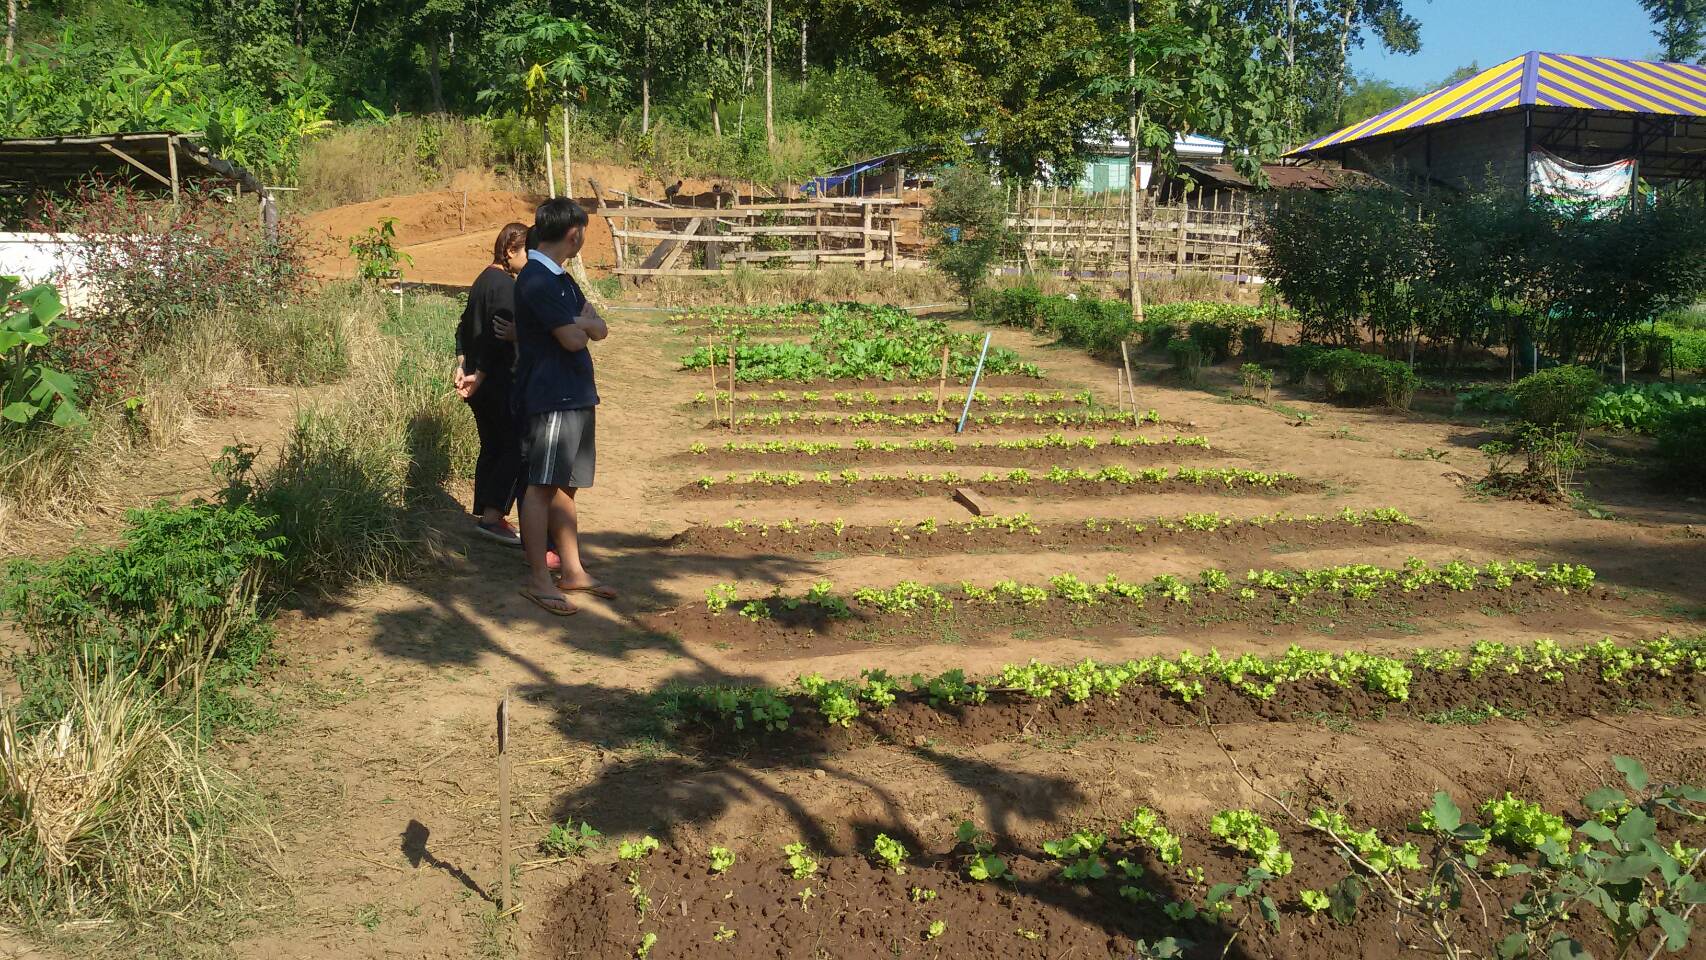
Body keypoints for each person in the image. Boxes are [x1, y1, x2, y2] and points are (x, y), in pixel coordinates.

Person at [512, 199, 613, 616]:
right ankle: (539, 578)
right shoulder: (537, 279)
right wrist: (583, 325)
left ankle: (572, 570)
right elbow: (574, 339)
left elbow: (599, 328)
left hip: (576, 395)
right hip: (551, 397)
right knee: (541, 486)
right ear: (574, 234)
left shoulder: (562, 279)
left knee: (565, 486)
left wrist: (583, 324)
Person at [454, 222, 529, 546]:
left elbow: (462, 328)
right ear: (510, 250)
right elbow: (498, 339)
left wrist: (462, 365)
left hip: (477, 382)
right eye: (527, 252)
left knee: (493, 445)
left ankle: (487, 514)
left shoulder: (482, 280)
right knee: (516, 447)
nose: (530, 260)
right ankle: (492, 517)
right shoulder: (505, 287)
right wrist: (481, 373)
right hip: (497, 382)